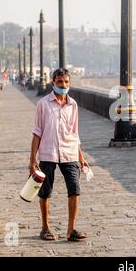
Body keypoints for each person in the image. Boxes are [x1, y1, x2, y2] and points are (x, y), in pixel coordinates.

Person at [29, 68, 89, 242]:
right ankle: (45, 227)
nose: (63, 85)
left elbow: (74, 132)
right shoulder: (43, 104)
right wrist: (32, 159)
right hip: (48, 153)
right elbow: (37, 132)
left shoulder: (73, 105)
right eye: (60, 82)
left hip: (69, 152)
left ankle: (71, 229)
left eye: (66, 82)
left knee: (74, 189)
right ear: (53, 83)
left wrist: (81, 156)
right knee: (45, 192)